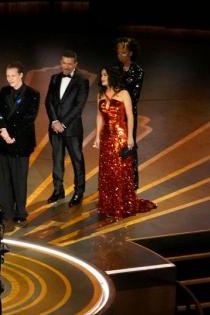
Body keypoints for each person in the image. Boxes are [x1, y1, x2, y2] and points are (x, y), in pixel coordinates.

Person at [93, 67, 156, 220]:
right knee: (107, 171)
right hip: (106, 137)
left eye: (105, 75)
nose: (102, 77)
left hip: (120, 136)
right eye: (101, 75)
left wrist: (130, 138)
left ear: (112, 76)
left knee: (119, 171)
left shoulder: (124, 93)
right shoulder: (100, 94)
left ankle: (121, 204)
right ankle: (108, 204)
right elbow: (99, 117)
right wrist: (97, 137)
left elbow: (130, 116)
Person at [0, 61, 40, 224]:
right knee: (4, 178)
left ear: (21, 75)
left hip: (21, 142)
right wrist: (3, 130)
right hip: (4, 141)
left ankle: (20, 211)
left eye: (13, 76)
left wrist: (11, 135)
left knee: (19, 178)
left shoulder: (33, 94)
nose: (10, 79)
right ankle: (5, 210)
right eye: (8, 76)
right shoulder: (4, 91)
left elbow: (29, 118)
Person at [45, 51, 89, 206]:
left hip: (72, 129)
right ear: (60, 62)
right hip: (55, 128)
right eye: (64, 63)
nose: (66, 66)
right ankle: (58, 190)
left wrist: (63, 123)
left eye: (70, 64)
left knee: (77, 160)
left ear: (75, 64)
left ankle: (79, 192)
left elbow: (79, 106)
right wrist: (54, 121)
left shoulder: (82, 80)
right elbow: (49, 101)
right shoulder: (54, 78)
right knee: (57, 160)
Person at [113, 37, 145, 189]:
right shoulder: (114, 68)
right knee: (113, 144)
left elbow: (134, 97)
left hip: (128, 114)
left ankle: (131, 181)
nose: (120, 55)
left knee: (129, 144)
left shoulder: (138, 71)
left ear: (131, 53)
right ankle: (114, 177)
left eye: (124, 53)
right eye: (119, 52)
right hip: (113, 112)